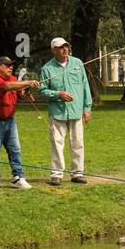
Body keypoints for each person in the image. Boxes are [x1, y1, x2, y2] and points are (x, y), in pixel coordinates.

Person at [36, 37, 92, 185]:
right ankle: (56, 174)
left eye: (66, 46)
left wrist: (87, 108)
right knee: (57, 143)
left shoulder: (78, 63)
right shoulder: (47, 68)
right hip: (57, 112)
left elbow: (85, 86)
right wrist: (58, 94)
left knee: (78, 142)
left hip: (76, 110)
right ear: (54, 50)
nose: (65, 49)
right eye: (61, 47)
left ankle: (77, 173)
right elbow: (42, 90)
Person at [0, 56, 39, 190]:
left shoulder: (13, 79)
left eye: (12, 65)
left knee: (15, 150)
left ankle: (18, 177)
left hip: (10, 121)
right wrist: (27, 82)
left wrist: (26, 93)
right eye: (7, 65)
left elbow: (21, 94)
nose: (11, 67)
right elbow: (7, 87)